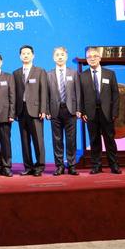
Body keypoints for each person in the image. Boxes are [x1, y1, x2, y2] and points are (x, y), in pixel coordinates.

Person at [79, 47, 121, 174]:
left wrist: (114, 112)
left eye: (95, 56)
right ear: (86, 60)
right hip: (90, 113)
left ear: (100, 58)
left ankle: (114, 165)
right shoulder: (82, 76)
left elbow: (115, 95)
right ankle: (96, 166)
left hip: (107, 113)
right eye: (89, 57)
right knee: (94, 140)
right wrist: (83, 111)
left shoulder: (110, 74)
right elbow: (80, 96)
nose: (92, 59)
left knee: (110, 140)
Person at [13, 45, 47, 176]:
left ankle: (40, 166)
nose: (25, 55)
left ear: (33, 55)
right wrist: (14, 112)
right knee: (24, 141)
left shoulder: (40, 71)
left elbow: (43, 92)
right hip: (21, 111)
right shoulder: (16, 73)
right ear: (20, 56)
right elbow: (14, 94)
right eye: (23, 53)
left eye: (28, 53)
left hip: (36, 110)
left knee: (38, 140)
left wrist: (43, 109)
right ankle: (28, 167)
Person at [46, 47, 81, 176]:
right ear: (53, 58)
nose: (60, 57)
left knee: (71, 139)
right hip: (55, 110)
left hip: (71, 110)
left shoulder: (73, 73)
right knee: (57, 140)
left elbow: (78, 93)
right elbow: (46, 94)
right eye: (57, 55)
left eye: (62, 55)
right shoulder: (48, 74)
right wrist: (46, 110)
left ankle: (71, 165)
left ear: (66, 57)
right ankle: (59, 166)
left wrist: (78, 109)